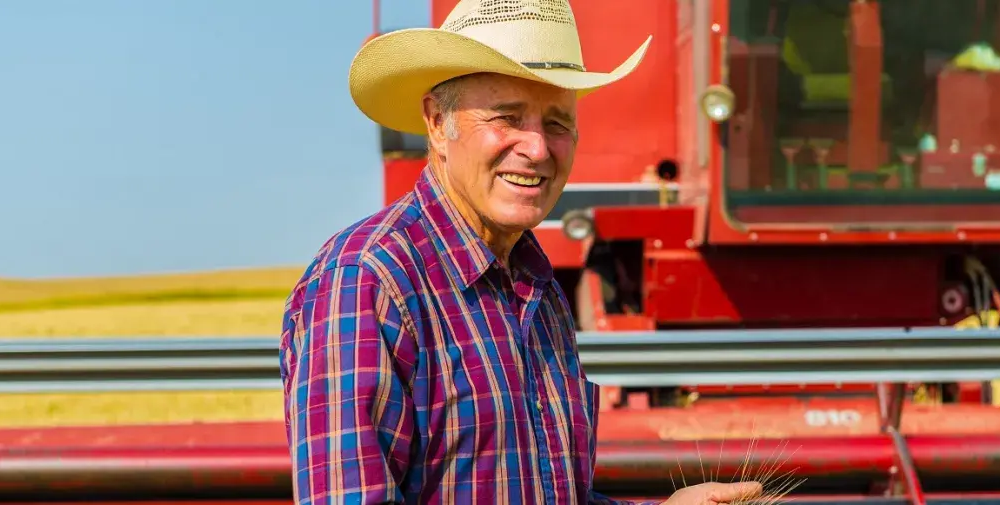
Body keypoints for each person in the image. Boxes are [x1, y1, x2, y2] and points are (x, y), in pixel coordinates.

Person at [278, 0, 765, 503]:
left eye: (556, 123)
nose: (536, 148)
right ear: (436, 121)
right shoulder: (366, 284)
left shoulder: (537, 288)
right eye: (507, 118)